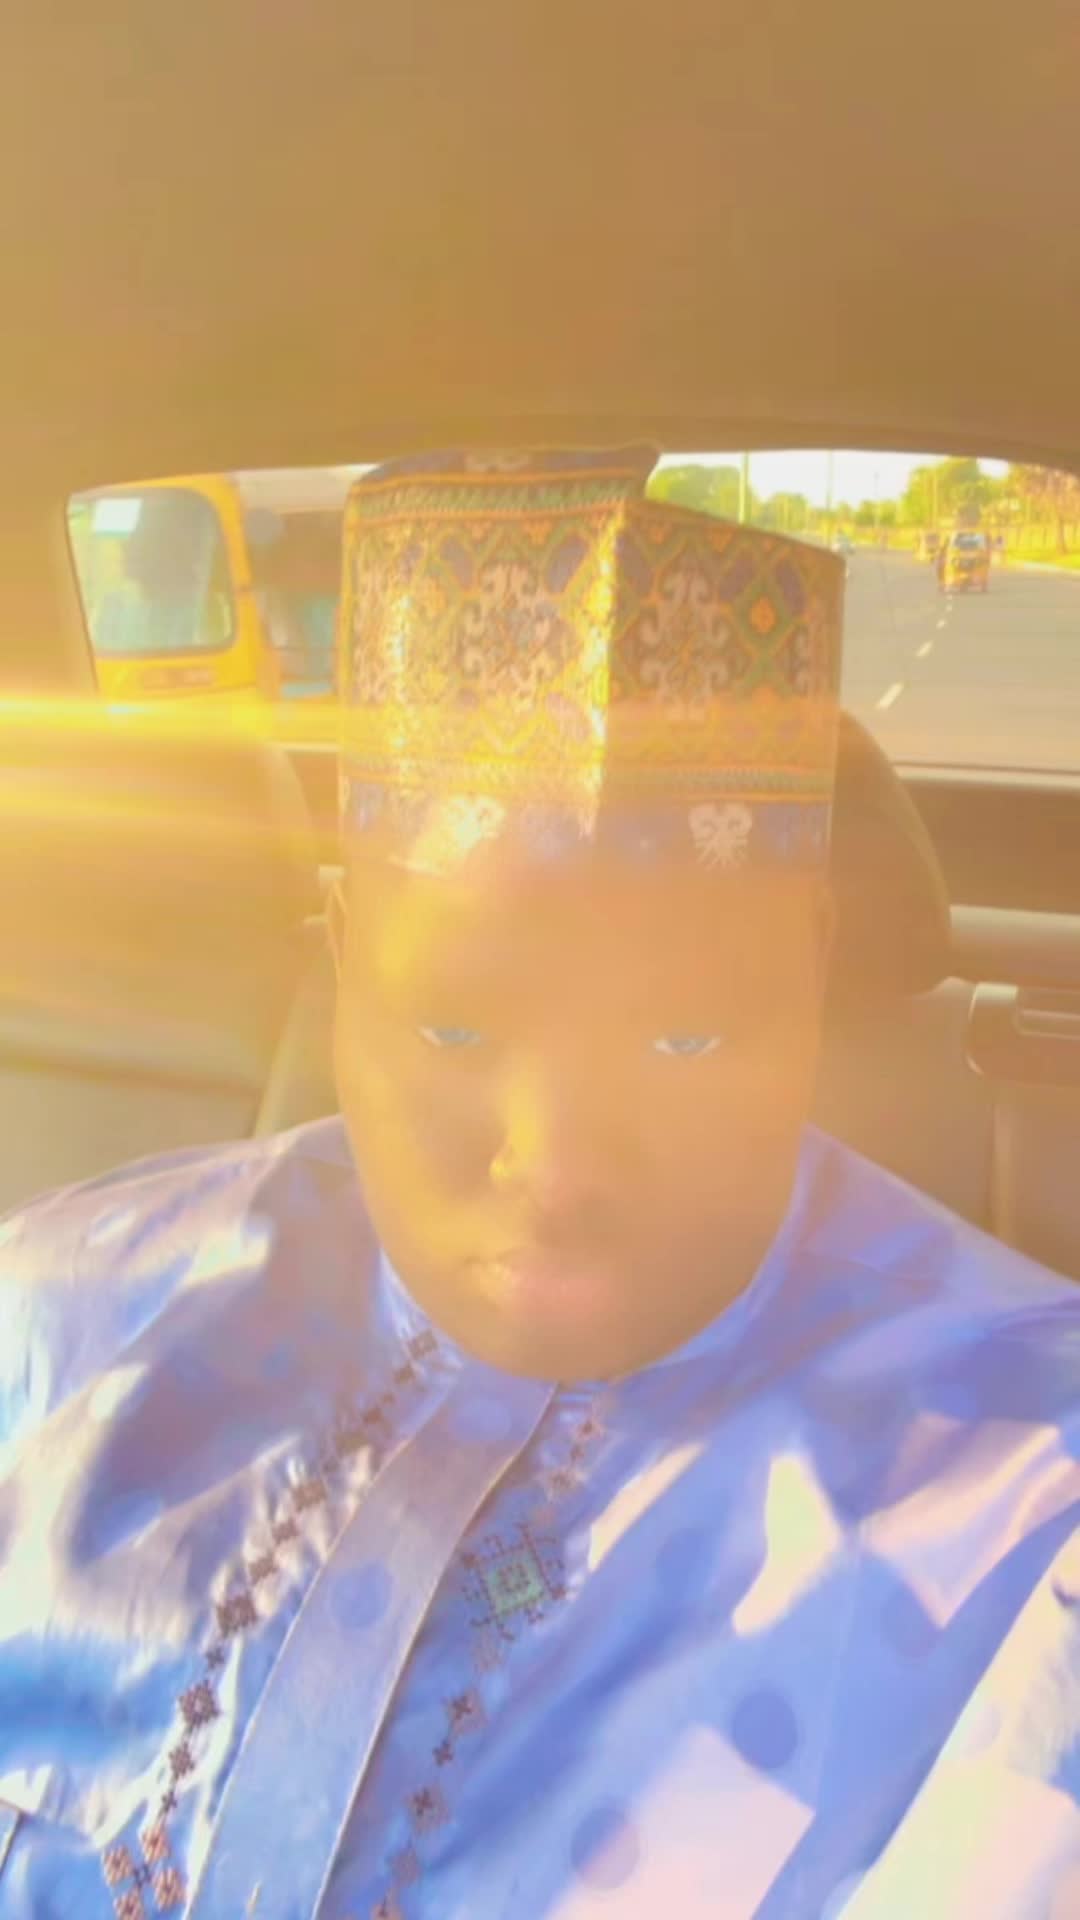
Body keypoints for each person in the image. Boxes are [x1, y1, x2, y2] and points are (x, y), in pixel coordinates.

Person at [2, 447, 1079, 1920]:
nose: (559, 1165)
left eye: (687, 1034)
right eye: (454, 1029)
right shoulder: (60, 1313)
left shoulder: (1028, 1503)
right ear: (342, 960)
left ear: (812, 968)